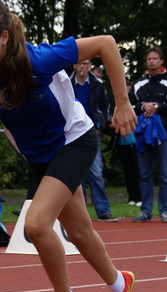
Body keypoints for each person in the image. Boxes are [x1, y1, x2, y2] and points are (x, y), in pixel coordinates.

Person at [0, 0, 139, 292]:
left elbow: (106, 44)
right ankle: (119, 285)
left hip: (74, 141)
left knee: (36, 224)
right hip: (38, 156)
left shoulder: (38, 59)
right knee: (80, 232)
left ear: (3, 37)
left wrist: (122, 102)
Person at [128, 46, 167, 223]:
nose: (151, 61)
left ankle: (165, 210)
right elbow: (129, 105)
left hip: (165, 134)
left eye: (155, 58)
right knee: (144, 174)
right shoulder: (138, 84)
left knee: (164, 174)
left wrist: (158, 108)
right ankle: (145, 211)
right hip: (143, 134)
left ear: (161, 61)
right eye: (149, 59)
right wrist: (142, 107)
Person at [69, 59, 118, 222]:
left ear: (90, 66)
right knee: (76, 174)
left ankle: (103, 210)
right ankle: (79, 213)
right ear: (74, 65)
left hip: (91, 132)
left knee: (96, 172)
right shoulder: (67, 82)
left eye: (85, 63)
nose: (82, 67)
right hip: (72, 133)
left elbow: (105, 106)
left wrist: (101, 124)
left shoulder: (97, 84)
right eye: (79, 63)